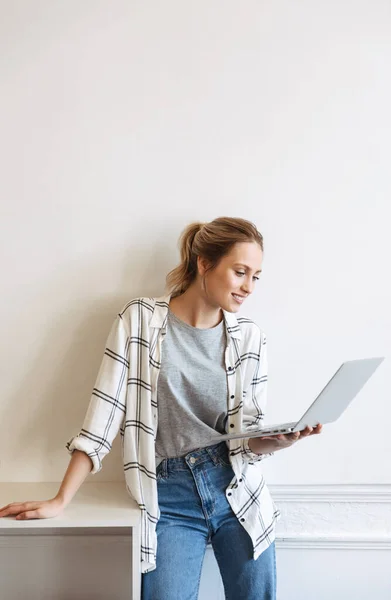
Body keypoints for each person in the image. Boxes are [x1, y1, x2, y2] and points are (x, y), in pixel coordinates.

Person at [0, 216, 322, 600]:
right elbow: (103, 416)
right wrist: (60, 500)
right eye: (240, 272)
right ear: (204, 263)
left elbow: (246, 439)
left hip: (236, 490)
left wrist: (277, 441)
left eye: (256, 276)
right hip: (168, 497)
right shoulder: (139, 320)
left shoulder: (249, 337)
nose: (248, 287)